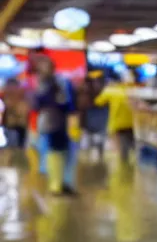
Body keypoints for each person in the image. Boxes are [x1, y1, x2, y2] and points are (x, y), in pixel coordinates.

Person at [32, 54, 79, 196]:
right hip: (52, 122)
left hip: (58, 122)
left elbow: (67, 104)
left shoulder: (56, 83)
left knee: (63, 153)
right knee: (54, 153)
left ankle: (62, 183)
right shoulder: (49, 84)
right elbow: (63, 103)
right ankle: (57, 184)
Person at [94, 70, 135, 164]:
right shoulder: (131, 89)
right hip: (131, 122)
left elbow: (98, 102)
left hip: (117, 122)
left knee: (121, 148)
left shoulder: (111, 90)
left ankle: (123, 166)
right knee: (131, 144)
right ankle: (131, 163)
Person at [77, 72, 108, 162]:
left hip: (93, 119)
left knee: (95, 141)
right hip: (90, 119)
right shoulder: (88, 92)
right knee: (91, 141)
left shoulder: (84, 91)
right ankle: (91, 162)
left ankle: (93, 161)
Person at [2, 78, 29, 151]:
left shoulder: (20, 99)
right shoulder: (10, 97)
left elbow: (23, 112)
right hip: (12, 127)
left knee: (15, 149)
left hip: (16, 127)